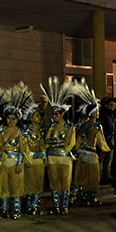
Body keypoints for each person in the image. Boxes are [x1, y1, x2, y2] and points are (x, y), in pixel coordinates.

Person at [70, 80, 110, 207]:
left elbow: (77, 143)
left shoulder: (82, 126)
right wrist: (104, 151)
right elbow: (102, 143)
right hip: (92, 155)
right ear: (95, 113)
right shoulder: (96, 127)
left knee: (81, 177)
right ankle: (90, 198)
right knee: (92, 178)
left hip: (81, 155)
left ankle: (78, 196)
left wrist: (75, 152)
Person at [41, 77, 75, 215]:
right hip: (52, 157)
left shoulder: (69, 127)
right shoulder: (51, 127)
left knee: (65, 182)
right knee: (54, 182)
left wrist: (54, 143)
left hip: (64, 157)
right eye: (53, 113)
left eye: (57, 113)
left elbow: (68, 144)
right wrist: (52, 143)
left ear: (63, 114)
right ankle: (56, 206)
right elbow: (46, 142)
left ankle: (64, 206)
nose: (54, 116)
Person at [0, 83, 32, 219]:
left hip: (14, 162)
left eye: (14, 118)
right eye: (8, 118)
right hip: (3, 162)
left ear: (17, 120)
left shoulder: (19, 132)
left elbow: (22, 150)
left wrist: (19, 164)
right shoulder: (1, 130)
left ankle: (16, 210)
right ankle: (4, 209)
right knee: (4, 186)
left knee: (16, 186)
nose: (11, 120)